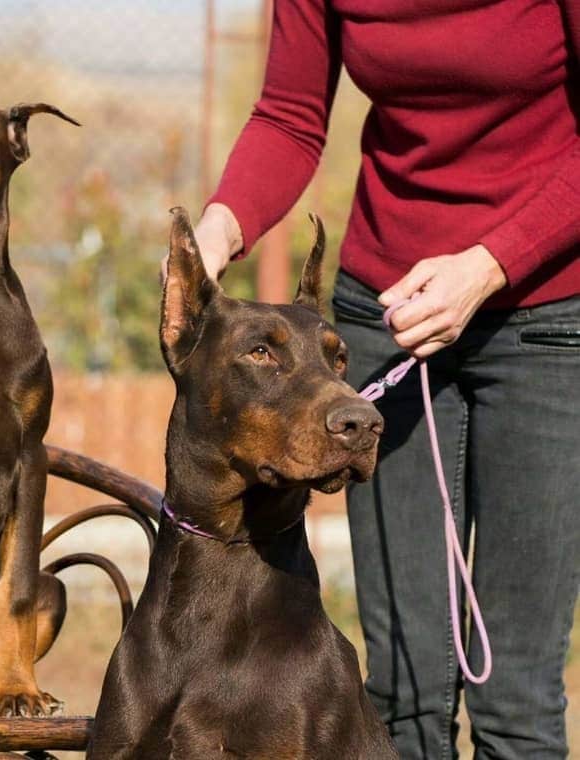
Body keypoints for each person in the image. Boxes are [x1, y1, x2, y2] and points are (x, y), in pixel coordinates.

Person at [187, 2, 580, 758]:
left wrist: (489, 265)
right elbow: (290, 116)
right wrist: (218, 231)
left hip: (543, 315)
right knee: (402, 693)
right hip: (387, 312)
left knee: (518, 705)